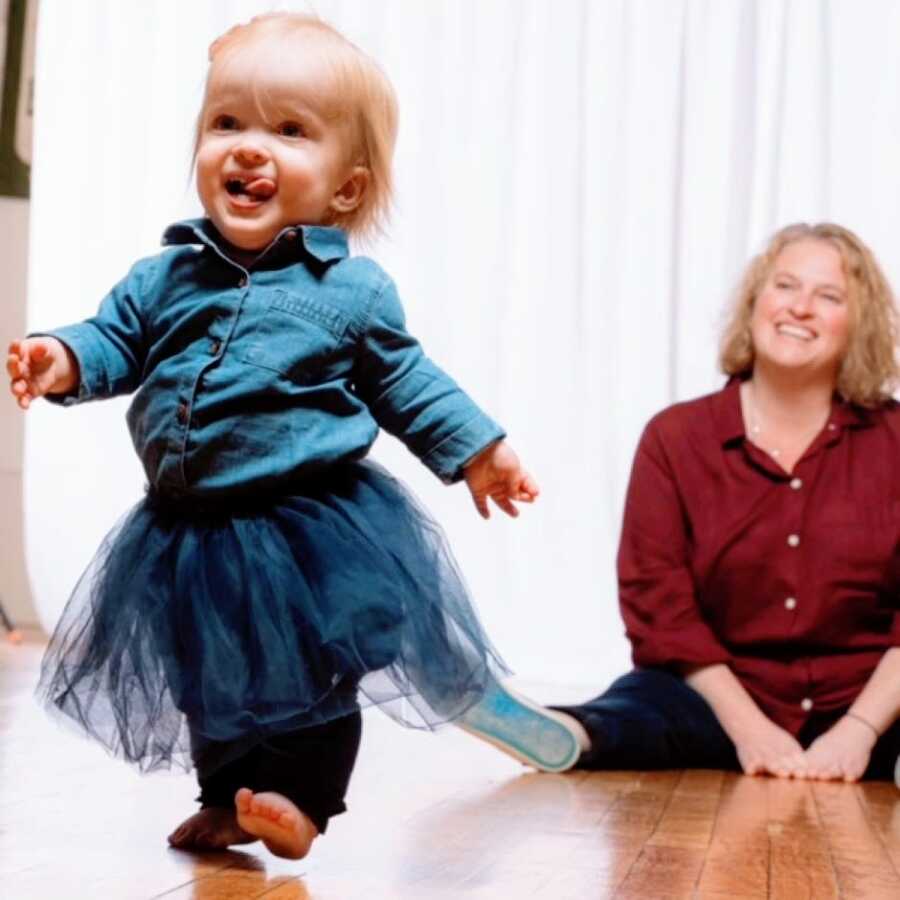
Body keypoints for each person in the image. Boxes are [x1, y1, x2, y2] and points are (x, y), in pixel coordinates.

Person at [4, 12, 573, 860]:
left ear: (344, 188)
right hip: (187, 531)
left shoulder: (352, 291)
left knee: (313, 673)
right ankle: (228, 797)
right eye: (226, 123)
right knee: (209, 676)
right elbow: (114, 339)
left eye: (288, 130)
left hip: (306, 527)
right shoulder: (164, 276)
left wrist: (480, 453)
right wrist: (60, 359)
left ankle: (303, 800)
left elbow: (408, 383)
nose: (246, 147)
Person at [472, 222, 900, 784]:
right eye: (786, 286)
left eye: (829, 296)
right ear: (755, 303)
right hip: (719, 697)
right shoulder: (676, 439)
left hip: (872, 700)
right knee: (641, 707)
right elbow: (659, 601)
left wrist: (860, 731)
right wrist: (750, 729)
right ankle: (567, 734)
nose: (801, 308)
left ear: (858, 324)